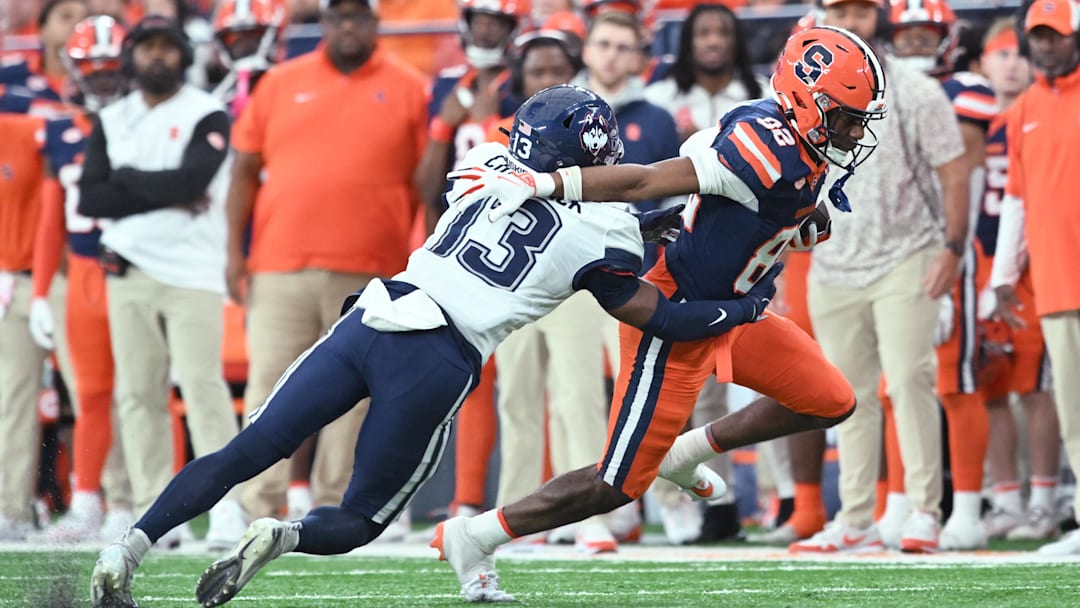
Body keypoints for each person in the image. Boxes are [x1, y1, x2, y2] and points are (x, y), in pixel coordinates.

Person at [90, 84, 777, 608]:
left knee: (248, 450)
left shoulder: (482, 162)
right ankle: (286, 534)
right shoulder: (606, 233)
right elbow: (660, 317)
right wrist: (743, 305)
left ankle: (128, 547)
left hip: (373, 316)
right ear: (588, 159)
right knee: (361, 519)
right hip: (437, 357)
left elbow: (534, 214)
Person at [437, 25, 884, 599]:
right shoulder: (763, 147)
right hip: (678, 314)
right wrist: (547, 183)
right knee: (615, 484)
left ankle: (684, 451)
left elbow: (747, 188)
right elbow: (649, 179)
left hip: (732, 310)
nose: (853, 130)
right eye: (845, 116)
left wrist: (798, 223)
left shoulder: (795, 139)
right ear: (805, 99)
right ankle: (475, 534)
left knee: (831, 401)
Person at [225, 0, 428, 523]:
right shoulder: (278, 82)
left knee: (355, 392)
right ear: (324, 24)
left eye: (358, 16)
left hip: (371, 267)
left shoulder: (410, 86)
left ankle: (335, 503)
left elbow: (430, 181)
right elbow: (244, 171)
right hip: (279, 263)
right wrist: (233, 251)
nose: (348, 26)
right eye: (338, 16)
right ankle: (257, 504)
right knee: (269, 384)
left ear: (375, 24)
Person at [788, 0, 968, 554]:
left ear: (878, 15)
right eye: (839, 9)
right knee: (846, 396)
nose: (852, 19)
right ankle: (856, 519)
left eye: (862, 9)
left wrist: (953, 249)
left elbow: (954, 171)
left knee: (910, 381)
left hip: (907, 254)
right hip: (834, 262)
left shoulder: (913, 88)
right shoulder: (802, 87)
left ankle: (924, 512)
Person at [77, 15, 246, 549]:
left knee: (203, 387)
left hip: (193, 271)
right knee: (136, 393)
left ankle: (225, 507)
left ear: (182, 55)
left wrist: (125, 180)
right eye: (146, 47)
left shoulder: (206, 110)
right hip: (129, 269)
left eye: (166, 48)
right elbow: (91, 198)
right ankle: (156, 511)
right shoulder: (113, 118)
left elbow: (193, 179)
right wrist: (159, 190)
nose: (157, 57)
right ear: (130, 56)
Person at [28, 14, 135, 544]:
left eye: (110, 67)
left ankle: (140, 500)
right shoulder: (59, 128)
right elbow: (51, 217)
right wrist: (43, 289)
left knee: (142, 391)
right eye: (91, 67)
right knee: (91, 392)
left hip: (138, 269)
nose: (101, 77)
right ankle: (89, 500)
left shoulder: (146, 120)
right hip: (86, 269)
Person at [990, 0, 1080, 556]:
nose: (1047, 45)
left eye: (1057, 35)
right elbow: (1017, 202)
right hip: (1055, 283)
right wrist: (1004, 275)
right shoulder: (1023, 108)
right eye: (1039, 37)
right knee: (1073, 410)